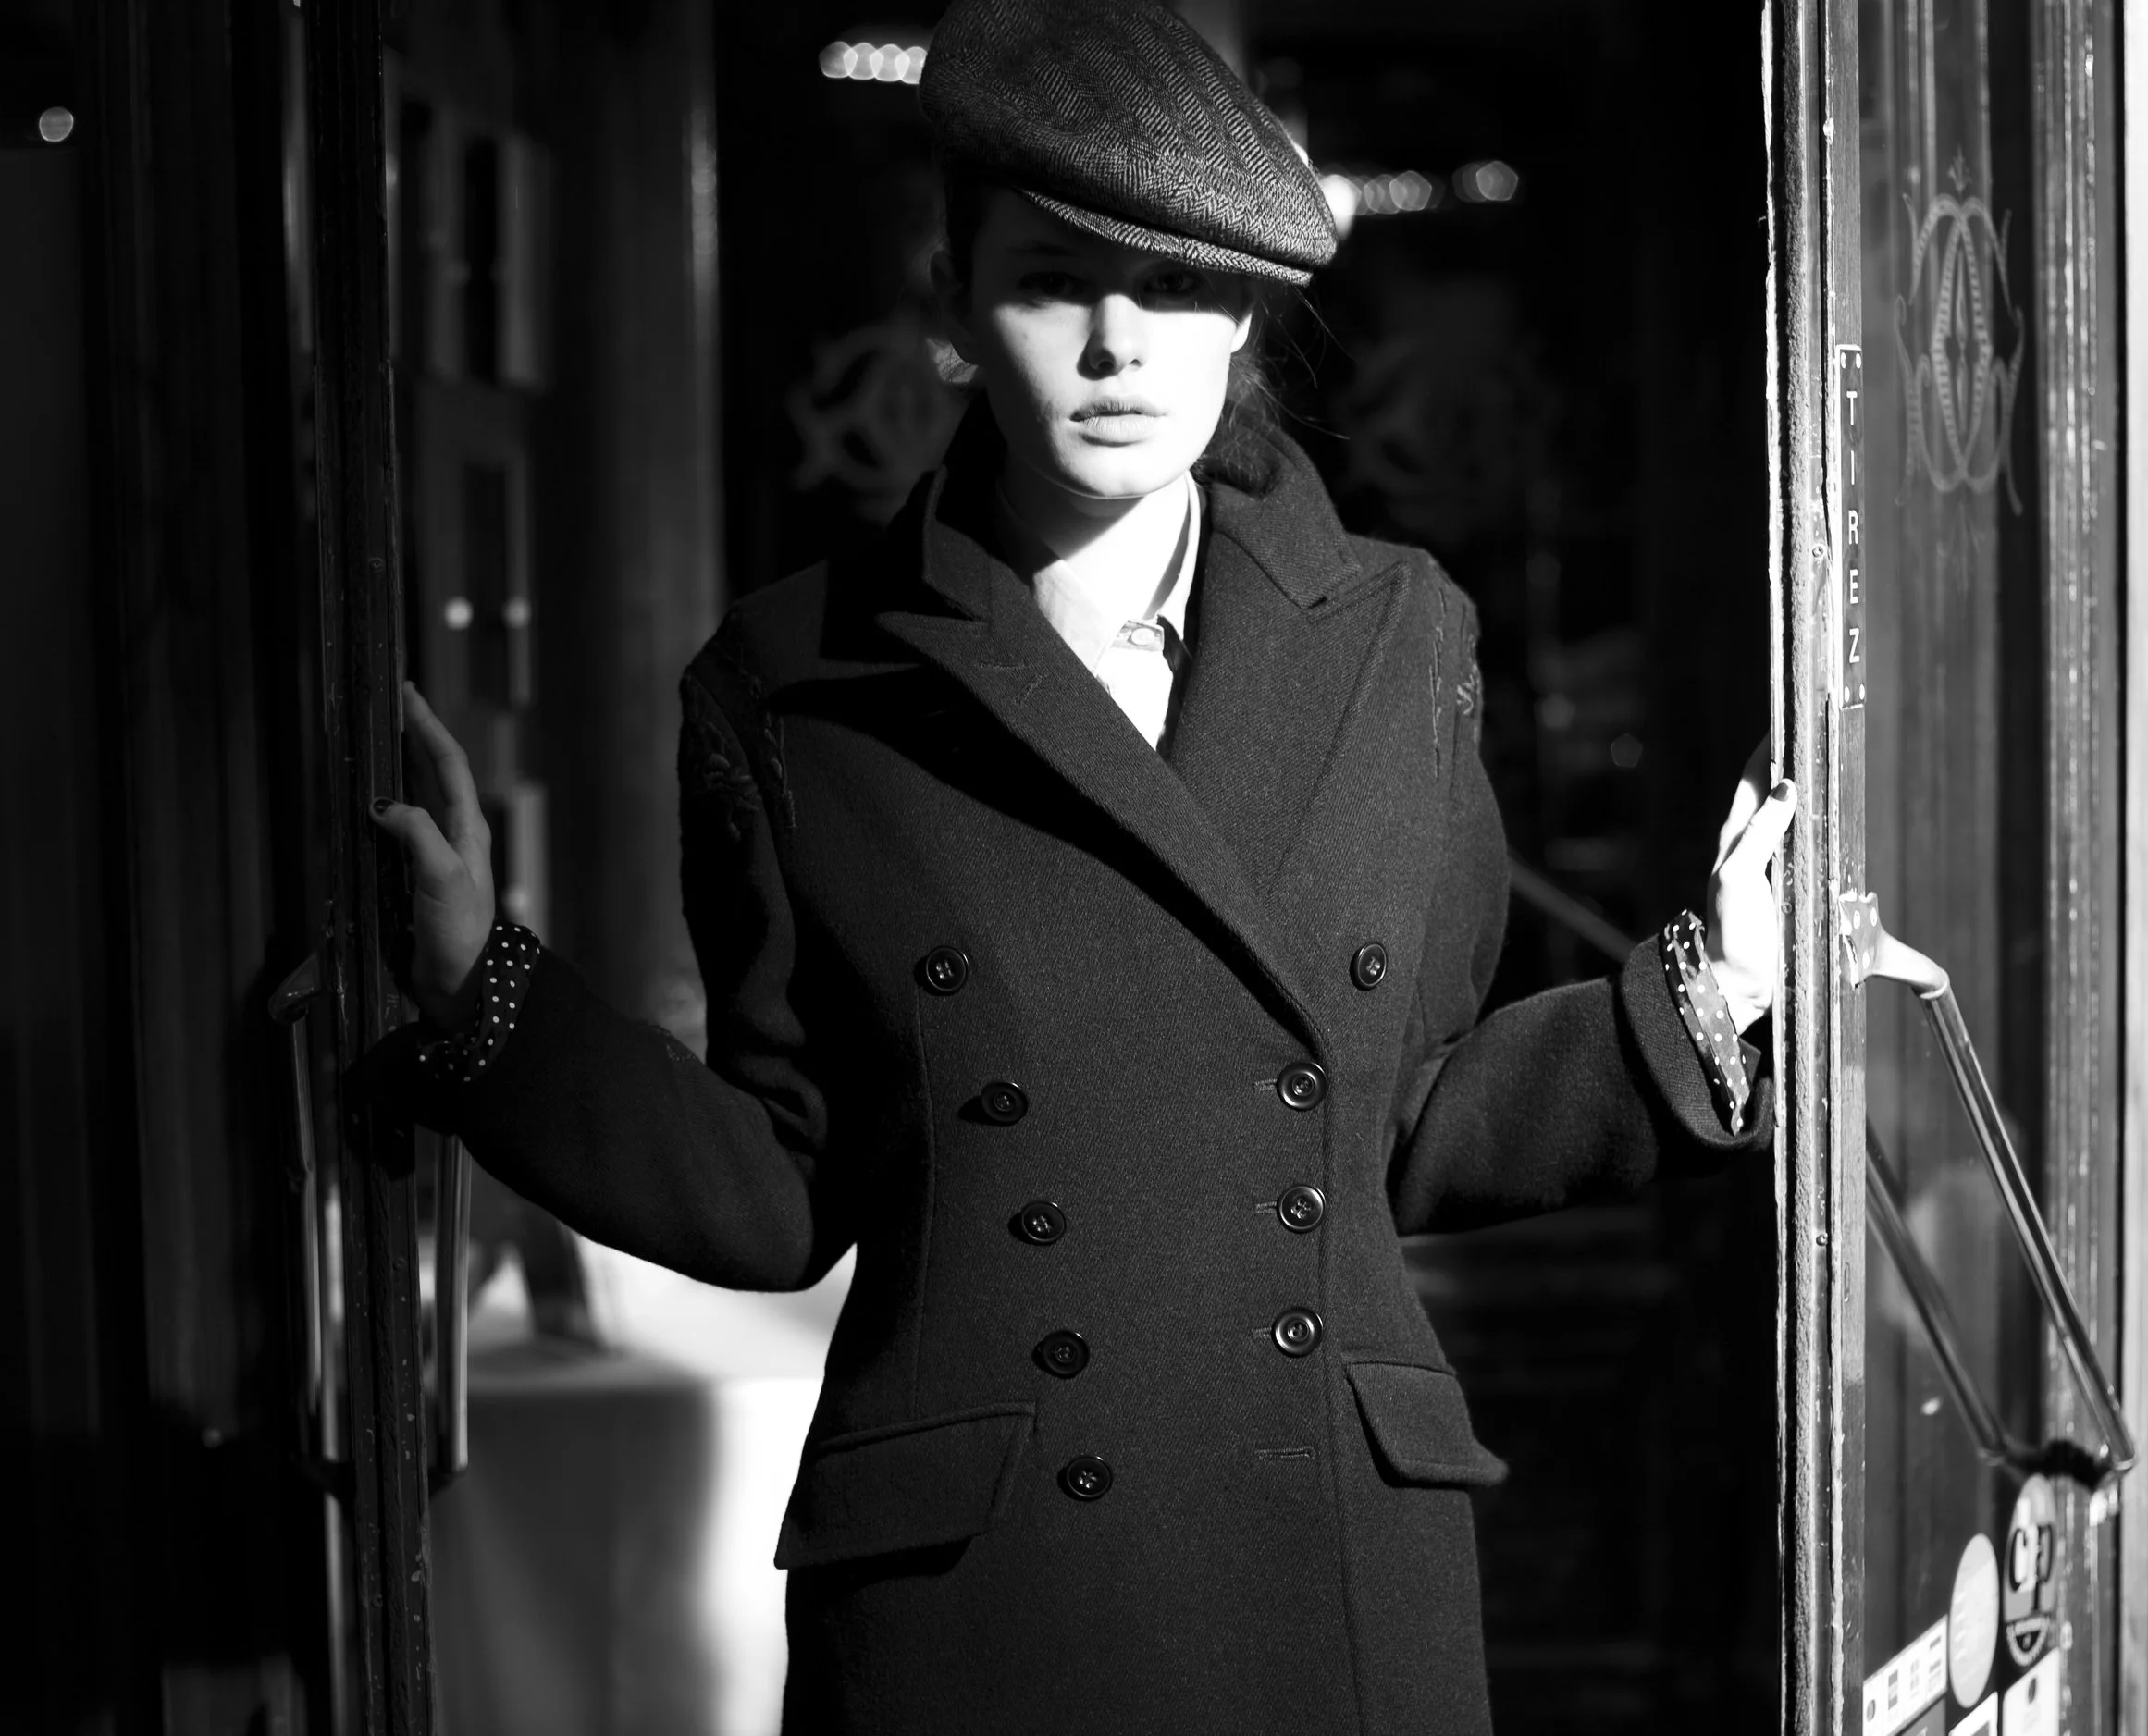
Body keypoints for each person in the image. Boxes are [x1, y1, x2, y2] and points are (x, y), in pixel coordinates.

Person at [363, 2, 1796, 1730]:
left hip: (1325, 1573)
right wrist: (489, 995)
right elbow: (783, 1186)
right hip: (989, 1603)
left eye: (1175, 287)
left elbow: (1404, 1121)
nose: (1118, 347)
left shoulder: (1400, 641)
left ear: (1246, 317)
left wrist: (1708, 992)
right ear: (954, 304)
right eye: (1053, 281)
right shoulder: (797, 687)